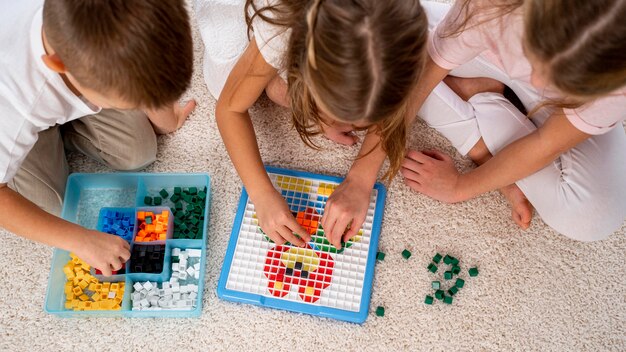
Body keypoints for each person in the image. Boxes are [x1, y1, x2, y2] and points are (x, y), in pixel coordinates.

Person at [200, 0, 429, 247]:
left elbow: (405, 92)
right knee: (223, 80)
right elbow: (229, 108)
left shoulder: (403, 29)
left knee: (270, 87)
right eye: (335, 112)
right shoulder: (280, 24)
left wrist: (361, 179)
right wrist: (261, 194)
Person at [401, 0, 626, 241]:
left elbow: (546, 144)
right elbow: (429, 68)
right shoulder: (492, 7)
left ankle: (481, 94)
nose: (537, 83)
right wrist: (363, 176)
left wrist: (460, 188)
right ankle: (482, 113)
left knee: (592, 219)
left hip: (571, 104)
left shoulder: (617, 83)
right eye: (534, 56)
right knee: (384, 39)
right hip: (493, 39)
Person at [0, 0, 196, 275]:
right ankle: (42, 138)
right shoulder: (15, 104)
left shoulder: (87, 39)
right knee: (57, 207)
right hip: (18, 119)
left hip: (71, 79)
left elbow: (148, 52)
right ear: (58, 65)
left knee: (138, 150)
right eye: (128, 101)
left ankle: (62, 130)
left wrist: (165, 114)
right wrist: (81, 240)